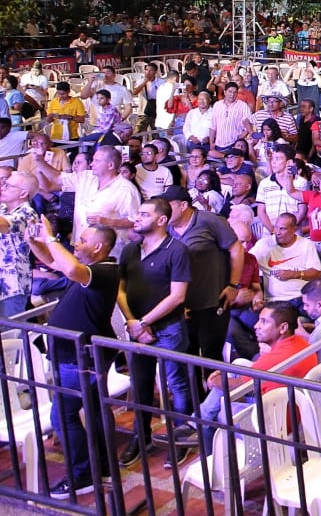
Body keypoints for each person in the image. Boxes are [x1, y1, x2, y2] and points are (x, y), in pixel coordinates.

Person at [28, 223, 117, 499]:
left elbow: (68, 268)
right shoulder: (88, 269)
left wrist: (50, 236)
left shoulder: (105, 270)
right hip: (76, 355)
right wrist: (33, 240)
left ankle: (82, 475)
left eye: (83, 240)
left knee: (63, 416)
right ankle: (103, 466)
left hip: (80, 358)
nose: (76, 243)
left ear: (98, 247)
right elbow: (53, 261)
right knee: (93, 410)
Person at [117, 198, 193, 466]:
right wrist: (132, 321)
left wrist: (144, 322)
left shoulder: (177, 250)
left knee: (176, 384)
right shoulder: (130, 250)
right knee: (141, 384)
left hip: (168, 328)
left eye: (144, 214)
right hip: (136, 328)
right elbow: (120, 288)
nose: (137, 218)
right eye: (138, 213)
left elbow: (177, 296)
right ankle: (141, 436)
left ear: (161, 220)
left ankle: (182, 438)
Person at [190, 302, 318, 451]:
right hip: (293, 407)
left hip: (278, 423)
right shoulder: (301, 342)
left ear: (283, 328)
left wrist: (214, 380)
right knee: (238, 365)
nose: (256, 326)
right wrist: (223, 376)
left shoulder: (273, 359)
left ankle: (211, 455)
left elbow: (237, 385)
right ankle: (198, 420)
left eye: (264, 321)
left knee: (221, 411)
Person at [161, 185, 243, 372]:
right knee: (186, 356)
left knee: (211, 356)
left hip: (212, 300)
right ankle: (196, 391)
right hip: (182, 305)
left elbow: (236, 249)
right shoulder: (165, 228)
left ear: (183, 205)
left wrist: (233, 284)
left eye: (168, 205)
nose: (163, 209)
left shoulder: (209, 220)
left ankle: (215, 391)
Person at [0, 172, 41, 315]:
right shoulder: (3, 208)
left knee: (11, 328)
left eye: (8, 186)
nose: (2, 188)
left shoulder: (29, 214)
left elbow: (4, 224)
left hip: (12, 287)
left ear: (23, 193)